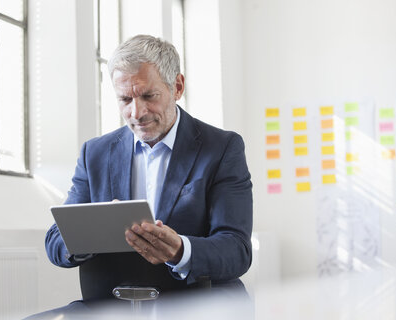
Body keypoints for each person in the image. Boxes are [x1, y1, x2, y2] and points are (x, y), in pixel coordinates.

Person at [27, 35, 253, 319]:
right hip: (111, 307)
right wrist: (88, 234)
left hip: (195, 304)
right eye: (125, 99)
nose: (137, 112)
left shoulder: (221, 148)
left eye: (148, 96)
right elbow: (55, 242)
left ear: (177, 87)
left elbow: (237, 249)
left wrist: (181, 250)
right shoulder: (94, 153)